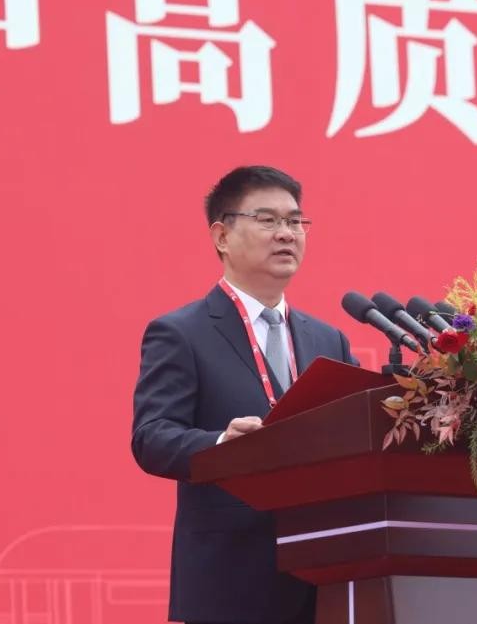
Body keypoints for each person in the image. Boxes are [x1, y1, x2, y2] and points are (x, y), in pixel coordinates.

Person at [131, 165, 358, 624]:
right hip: (230, 583)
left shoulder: (327, 339)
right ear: (222, 236)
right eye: (267, 220)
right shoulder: (181, 333)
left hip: (325, 583)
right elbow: (151, 437)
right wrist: (220, 445)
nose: (286, 233)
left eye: (295, 221)